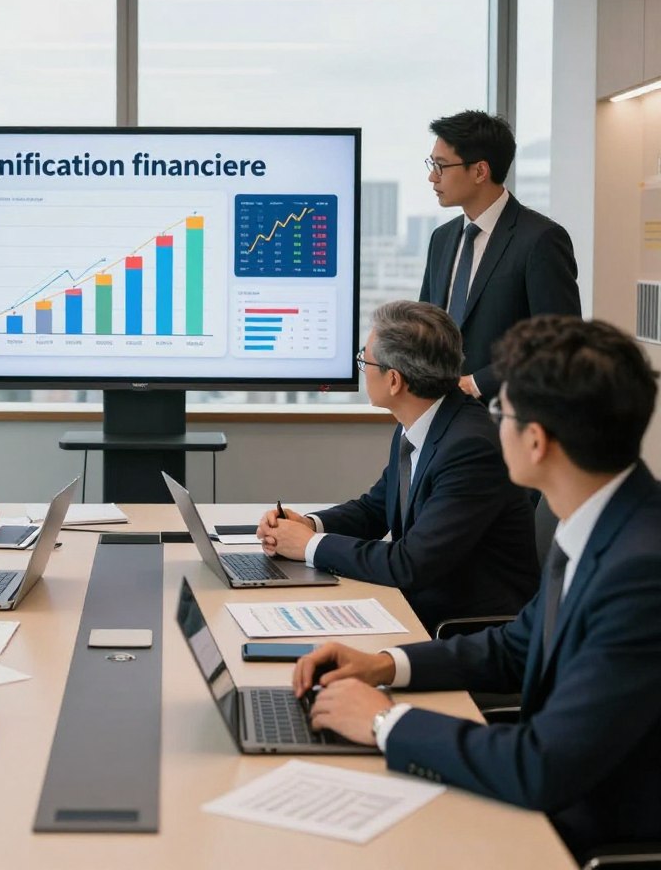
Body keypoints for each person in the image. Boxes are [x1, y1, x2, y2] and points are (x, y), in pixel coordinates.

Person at [292, 316, 661, 862]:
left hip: (577, 832)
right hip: (543, 796)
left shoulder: (640, 571)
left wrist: (381, 721)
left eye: (501, 411)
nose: (491, 424)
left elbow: (541, 766)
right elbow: (516, 646)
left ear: (536, 442)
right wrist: (384, 666)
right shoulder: (598, 523)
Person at [257, 300, 538, 633]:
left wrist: (307, 546)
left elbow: (410, 564)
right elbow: (375, 509)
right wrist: (309, 524)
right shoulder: (422, 421)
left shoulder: (470, 447)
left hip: (464, 628)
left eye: (364, 360)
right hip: (420, 604)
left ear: (394, 381)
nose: (362, 368)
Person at [419, 110, 580, 399]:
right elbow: (426, 325)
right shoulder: (441, 239)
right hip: (441, 414)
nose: (432, 176)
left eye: (441, 166)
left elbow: (560, 343)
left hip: (505, 418)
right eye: (432, 164)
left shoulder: (540, 239)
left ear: (480, 171)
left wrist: (476, 383)